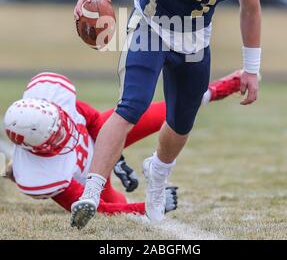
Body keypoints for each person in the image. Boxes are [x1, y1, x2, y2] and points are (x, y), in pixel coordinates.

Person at [71, 0, 273, 229]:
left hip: (195, 38)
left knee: (181, 123)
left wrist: (251, 69)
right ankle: (92, 189)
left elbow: (251, 9)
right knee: (132, 105)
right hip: (152, 27)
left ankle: (157, 175)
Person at [3, 70, 242, 217]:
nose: (64, 131)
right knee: (119, 205)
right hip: (90, 179)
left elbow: (96, 121)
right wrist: (144, 207)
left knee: (162, 113)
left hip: (98, 136)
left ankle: (221, 87)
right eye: (55, 136)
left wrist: (116, 160)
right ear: (39, 148)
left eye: (60, 122)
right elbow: (96, 209)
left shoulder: (55, 100)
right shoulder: (45, 177)